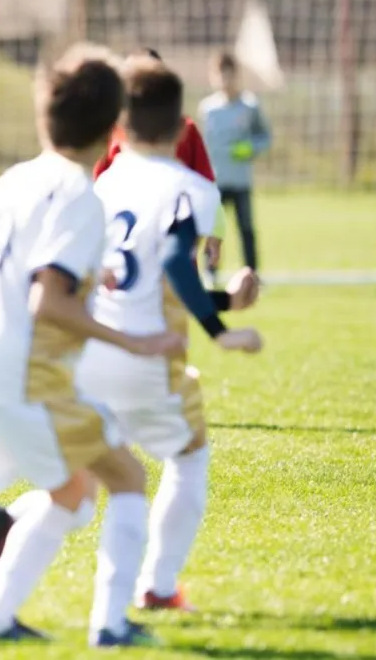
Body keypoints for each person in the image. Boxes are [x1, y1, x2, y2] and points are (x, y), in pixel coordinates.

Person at [0, 43, 185, 648]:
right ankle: (112, 625)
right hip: (23, 373)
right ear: (115, 128)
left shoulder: (14, 179)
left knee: (74, 495)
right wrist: (133, 341)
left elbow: (34, 271)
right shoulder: (81, 194)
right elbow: (48, 302)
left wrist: (90, 274)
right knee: (126, 475)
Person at [79, 58, 263, 613]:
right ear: (183, 125)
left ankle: (10, 528)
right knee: (186, 459)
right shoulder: (194, 189)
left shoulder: (102, 182)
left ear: (118, 126)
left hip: (87, 351)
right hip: (148, 356)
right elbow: (178, 271)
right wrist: (222, 324)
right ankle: (157, 586)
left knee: (83, 477)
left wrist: (226, 300)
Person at [92, 47, 225, 280]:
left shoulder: (187, 131)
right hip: (127, 257)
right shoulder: (110, 136)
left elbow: (206, 182)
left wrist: (216, 230)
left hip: (170, 245)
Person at [197, 51, 272, 277]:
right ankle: (211, 273)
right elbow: (202, 145)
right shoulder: (208, 109)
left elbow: (265, 137)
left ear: (236, 76)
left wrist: (251, 147)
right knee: (213, 230)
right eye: (220, 75)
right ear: (213, 77)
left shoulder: (249, 105)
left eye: (228, 75)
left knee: (246, 229)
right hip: (216, 181)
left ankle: (252, 274)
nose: (224, 81)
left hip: (241, 180)